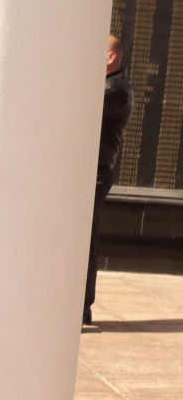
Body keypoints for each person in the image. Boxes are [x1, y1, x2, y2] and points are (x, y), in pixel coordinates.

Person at [83, 35, 134, 325]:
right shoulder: (109, 86)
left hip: (96, 173)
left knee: (84, 238)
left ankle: (81, 306)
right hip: (90, 171)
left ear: (110, 57)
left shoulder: (115, 90)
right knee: (83, 237)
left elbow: (78, 107)